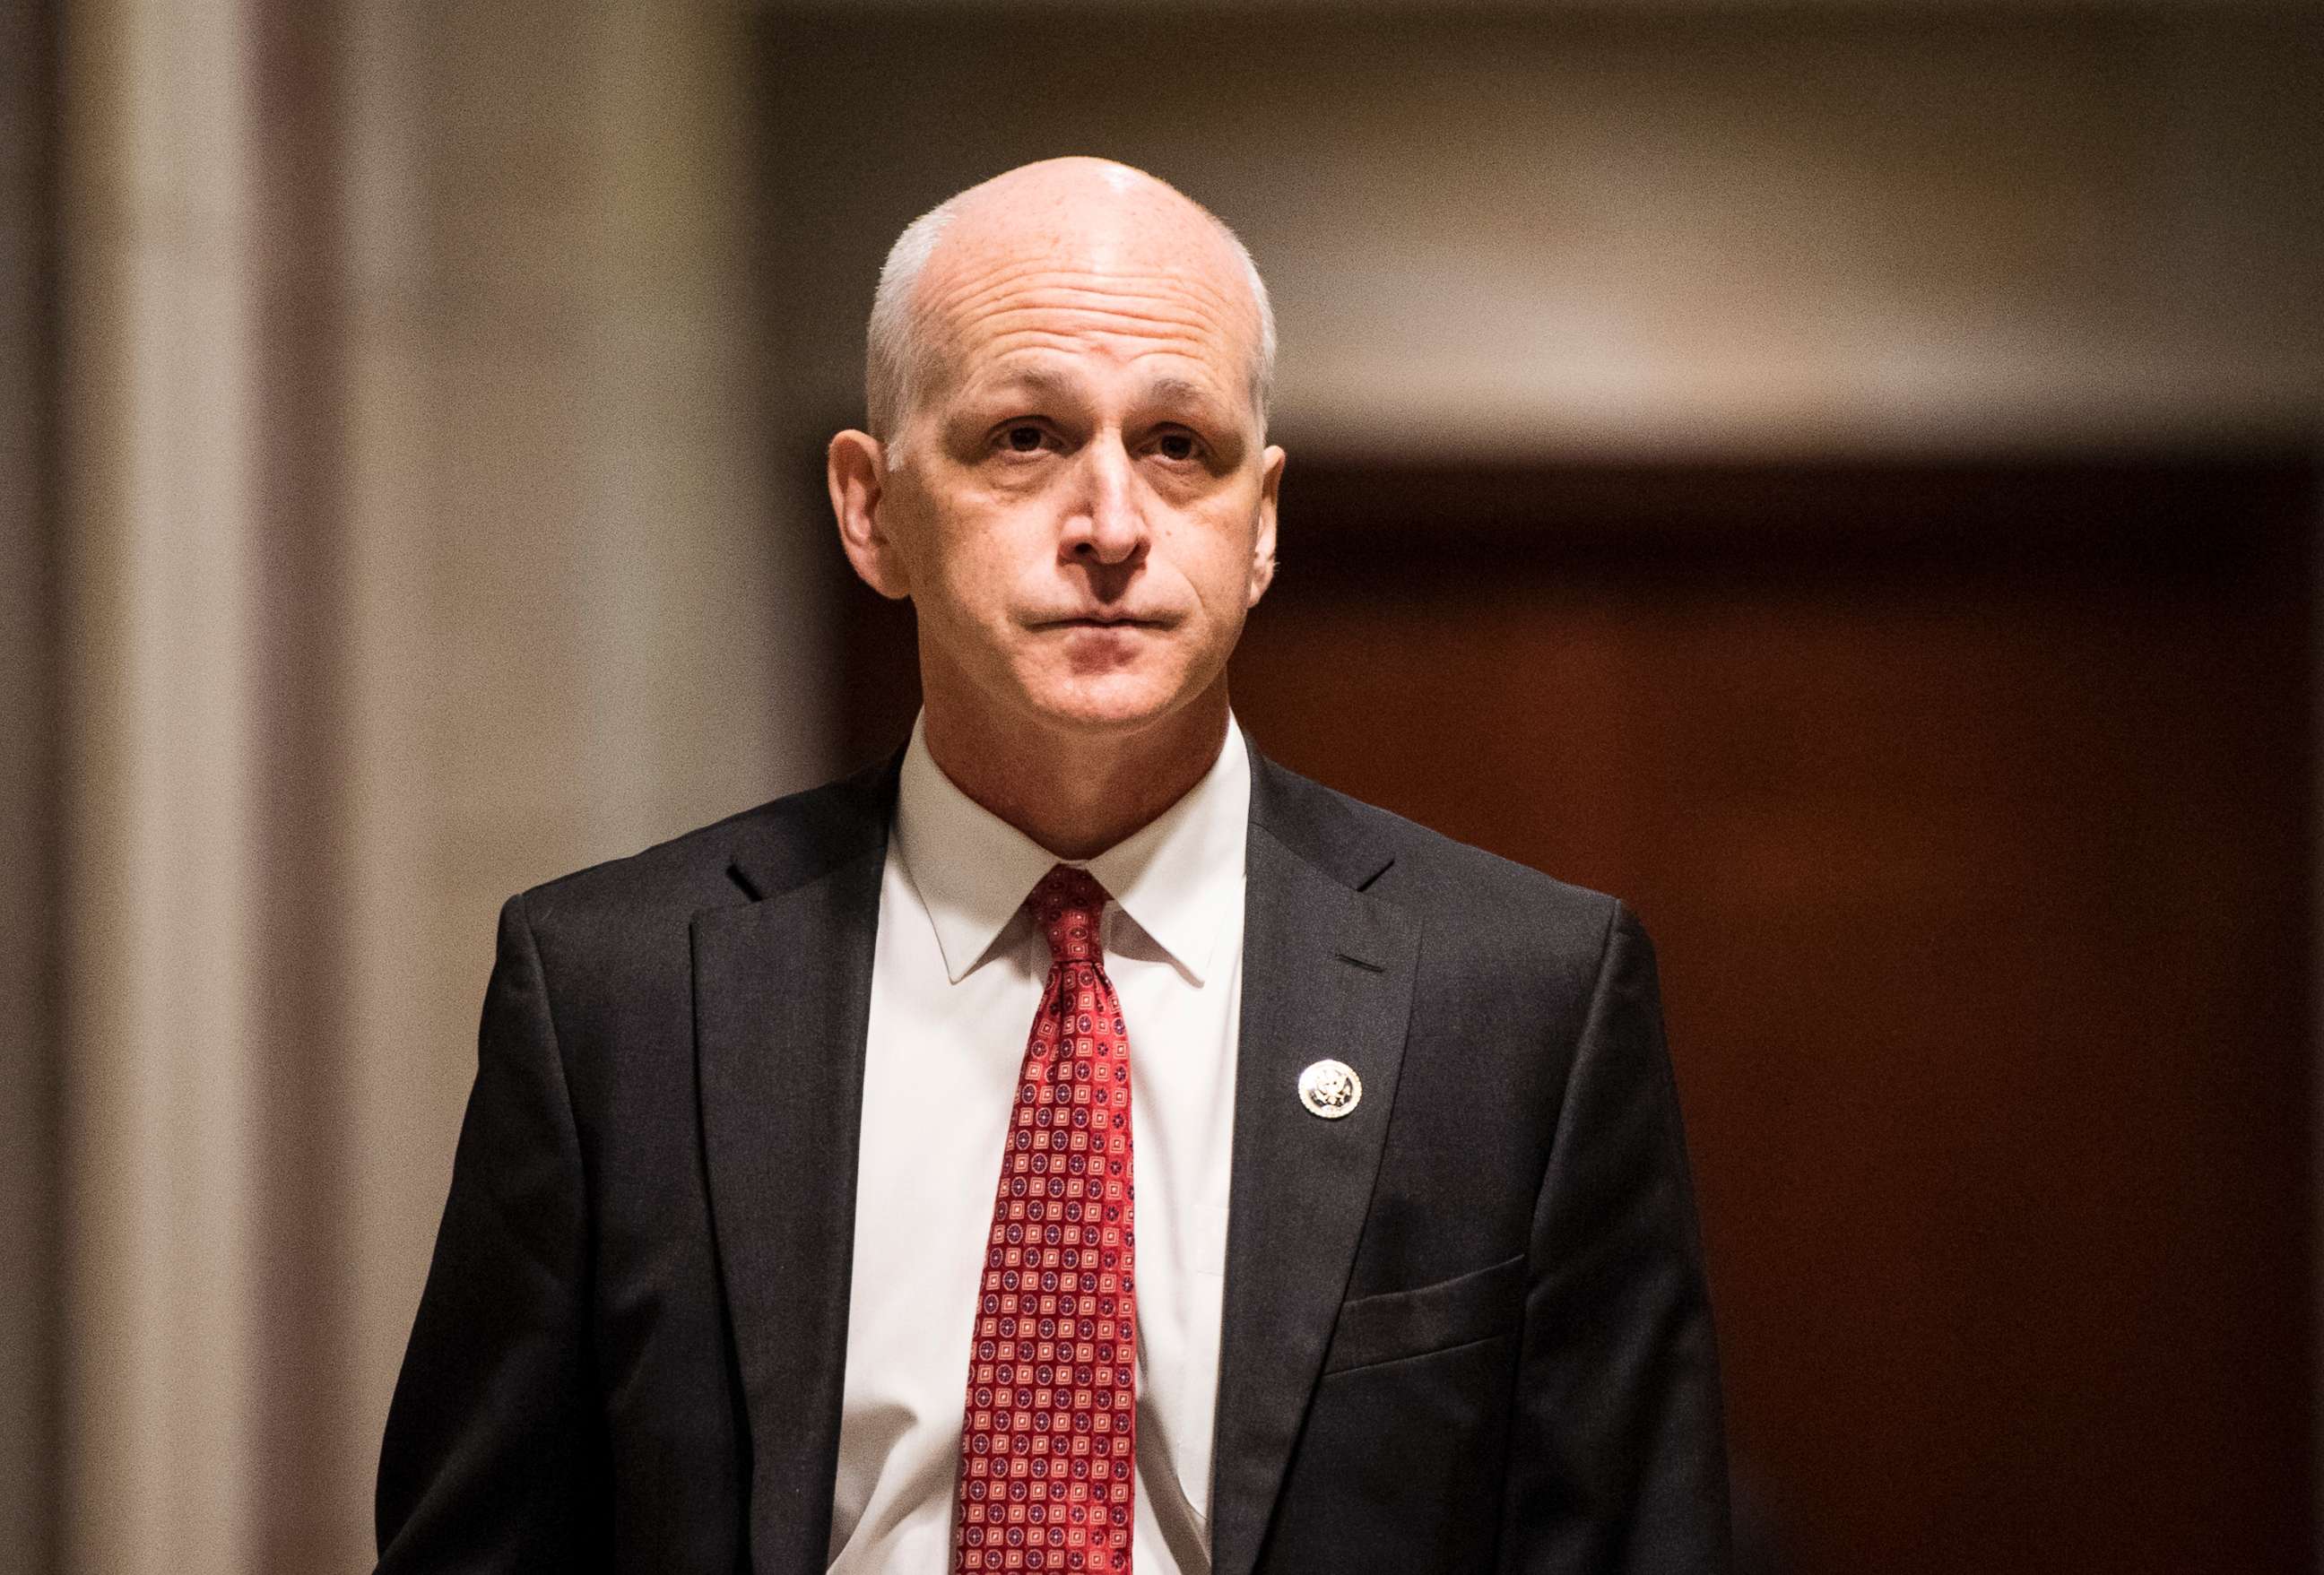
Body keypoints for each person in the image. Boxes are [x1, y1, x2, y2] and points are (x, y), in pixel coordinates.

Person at [375, 156, 1730, 1575]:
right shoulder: (617, 993)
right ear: (869, 507)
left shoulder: (1522, 1000)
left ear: (1261, 521)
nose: (1112, 525)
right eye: (1024, 436)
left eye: (1180, 446)